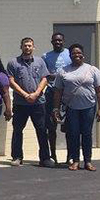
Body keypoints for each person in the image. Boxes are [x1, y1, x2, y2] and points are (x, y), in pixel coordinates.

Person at [53, 43, 100, 172]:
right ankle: (75, 160)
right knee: (73, 134)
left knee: (87, 134)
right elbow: (58, 91)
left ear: (83, 54)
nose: (77, 55)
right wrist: (56, 109)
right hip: (71, 108)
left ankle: (88, 161)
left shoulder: (92, 70)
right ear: (70, 56)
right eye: (73, 53)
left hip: (88, 107)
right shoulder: (63, 71)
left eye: (79, 53)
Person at [6, 37, 51, 167]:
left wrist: (36, 94)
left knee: (42, 130)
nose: (27, 48)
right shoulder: (13, 63)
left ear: (33, 47)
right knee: (18, 130)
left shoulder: (40, 61)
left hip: (38, 102)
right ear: (21, 47)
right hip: (21, 103)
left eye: (30, 45)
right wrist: (25, 95)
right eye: (25, 45)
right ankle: (17, 157)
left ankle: (45, 158)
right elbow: (11, 81)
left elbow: (44, 78)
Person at [42, 33, 71, 166]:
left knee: (70, 127)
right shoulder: (46, 56)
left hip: (67, 95)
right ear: (51, 42)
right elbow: (44, 74)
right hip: (51, 93)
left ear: (63, 41)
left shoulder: (70, 54)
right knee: (51, 127)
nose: (57, 42)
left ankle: (70, 155)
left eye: (60, 40)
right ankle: (52, 155)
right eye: (55, 40)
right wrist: (52, 76)